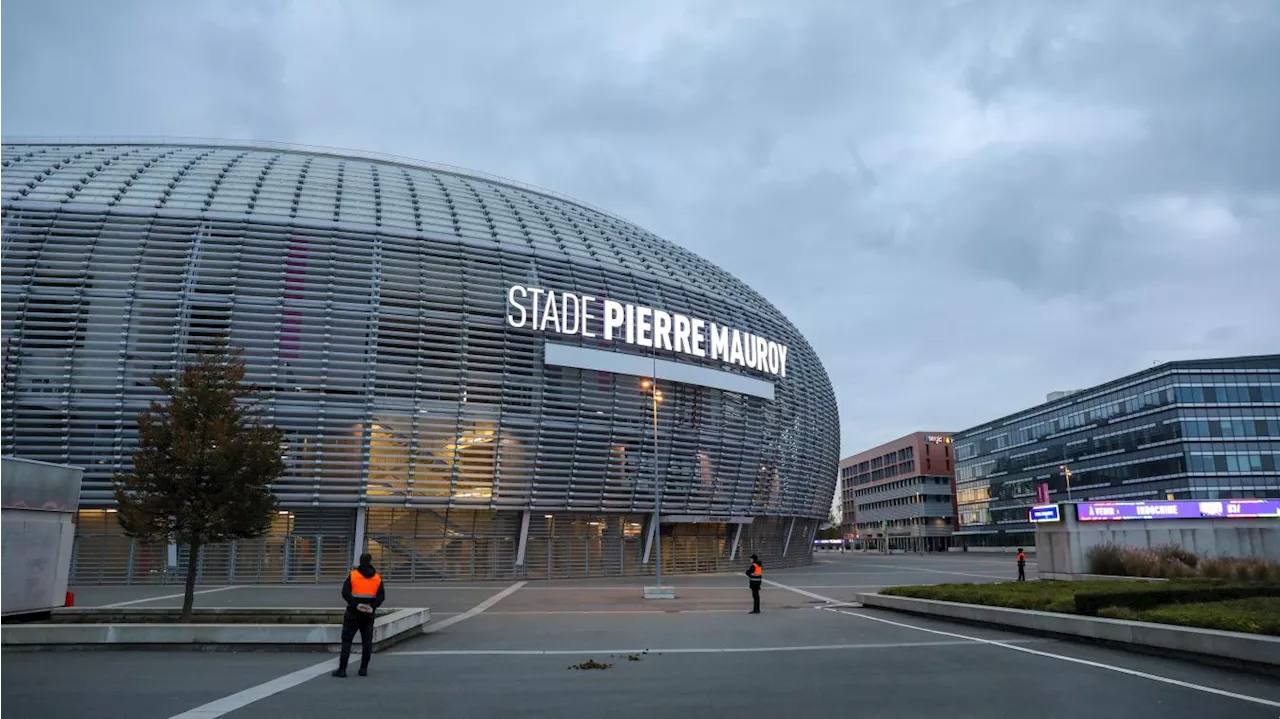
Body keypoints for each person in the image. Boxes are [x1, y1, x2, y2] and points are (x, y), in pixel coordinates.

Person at [333, 552, 385, 678]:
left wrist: (355, 604)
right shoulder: (377, 578)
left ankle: (342, 669)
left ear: (360, 561)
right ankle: (363, 669)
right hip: (368, 613)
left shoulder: (353, 576)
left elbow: (345, 593)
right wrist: (372, 607)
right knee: (367, 642)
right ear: (370, 561)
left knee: (347, 640)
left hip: (353, 612)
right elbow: (381, 596)